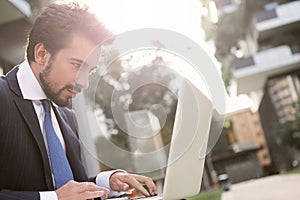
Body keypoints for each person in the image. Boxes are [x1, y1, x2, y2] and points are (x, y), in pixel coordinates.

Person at [0, 1, 157, 200]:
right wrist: (53, 199)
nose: (83, 83)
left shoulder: (67, 117)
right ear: (41, 54)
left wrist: (107, 180)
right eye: (76, 65)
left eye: (89, 71)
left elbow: (67, 188)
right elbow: (57, 195)